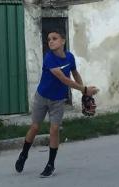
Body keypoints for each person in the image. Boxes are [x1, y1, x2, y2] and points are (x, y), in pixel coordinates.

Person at [14, 29, 99, 177]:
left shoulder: (70, 57)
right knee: (34, 127)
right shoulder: (49, 58)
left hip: (58, 100)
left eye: (54, 38)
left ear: (63, 41)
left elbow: (75, 74)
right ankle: (23, 154)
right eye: (49, 39)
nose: (51, 41)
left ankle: (50, 164)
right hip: (42, 97)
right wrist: (85, 89)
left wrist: (83, 93)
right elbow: (63, 79)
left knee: (54, 130)